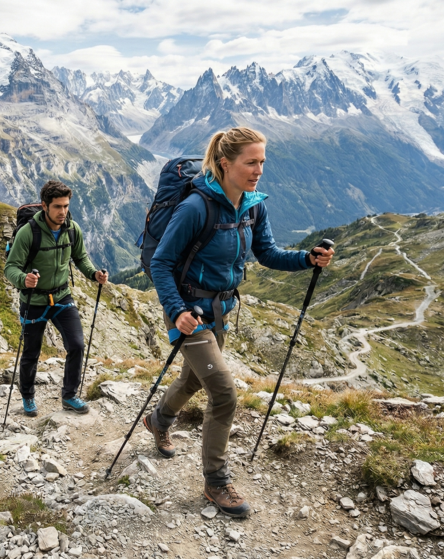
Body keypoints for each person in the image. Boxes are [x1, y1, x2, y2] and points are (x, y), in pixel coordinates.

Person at [145, 127, 335, 518]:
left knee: (196, 378)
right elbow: (161, 262)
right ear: (224, 163)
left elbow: (266, 252)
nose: (259, 170)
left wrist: (306, 259)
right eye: (251, 162)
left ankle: (158, 419)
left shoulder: (252, 206)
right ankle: (216, 481)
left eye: (262, 162)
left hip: (221, 310)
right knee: (225, 393)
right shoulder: (196, 208)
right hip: (188, 310)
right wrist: (177, 309)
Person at [5, 180, 108, 417]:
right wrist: (23, 279)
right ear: (44, 206)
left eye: (66, 206)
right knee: (31, 352)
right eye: (58, 207)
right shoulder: (27, 233)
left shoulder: (72, 229)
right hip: (34, 300)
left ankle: (70, 395)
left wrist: (94, 274)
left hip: (62, 296)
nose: (63, 212)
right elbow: (11, 267)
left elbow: (80, 258)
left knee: (77, 345)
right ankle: (28, 396)